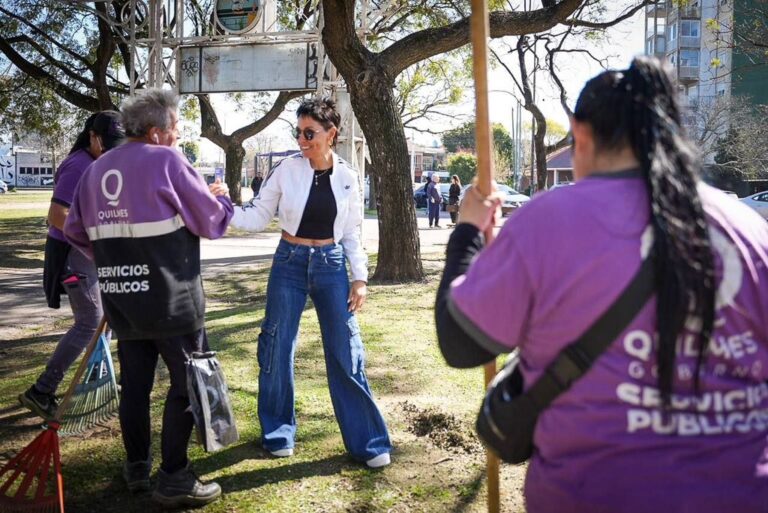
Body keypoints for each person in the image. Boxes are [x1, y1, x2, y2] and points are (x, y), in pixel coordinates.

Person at [435, 57, 768, 513]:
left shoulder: (549, 220)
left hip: (593, 493)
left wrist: (468, 233)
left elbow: (462, 343)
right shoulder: (749, 229)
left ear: (580, 133)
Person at [64, 89, 232, 507]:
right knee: (188, 384)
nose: (179, 137)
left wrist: (114, 260)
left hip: (122, 300)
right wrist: (223, 198)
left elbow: (74, 231)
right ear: (157, 133)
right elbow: (211, 223)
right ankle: (174, 475)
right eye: (176, 129)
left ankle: (136, 466)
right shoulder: (168, 160)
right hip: (172, 299)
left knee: (135, 386)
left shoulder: (96, 169)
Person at [220, 97, 392, 469]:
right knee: (277, 345)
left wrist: (359, 278)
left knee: (346, 349)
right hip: (289, 263)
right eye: (298, 132)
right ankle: (278, 432)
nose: (302, 139)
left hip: (331, 265)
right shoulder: (285, 170)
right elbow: (256, 216)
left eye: (309, 133)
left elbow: (351, 235)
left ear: (331, 134)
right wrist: (220, 207)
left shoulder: (348, 176)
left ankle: (368, 442)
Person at [19, 111, 124, 420]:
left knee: (107, 319)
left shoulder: (98, 163)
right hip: (72, 254)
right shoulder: (79, 165)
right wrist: (94, 243)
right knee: (89, 323)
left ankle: (94, 385)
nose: (110, 150)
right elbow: (56, 215)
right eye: (106, 143)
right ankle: (42, 391)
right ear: (92, 136)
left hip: (88, 254)